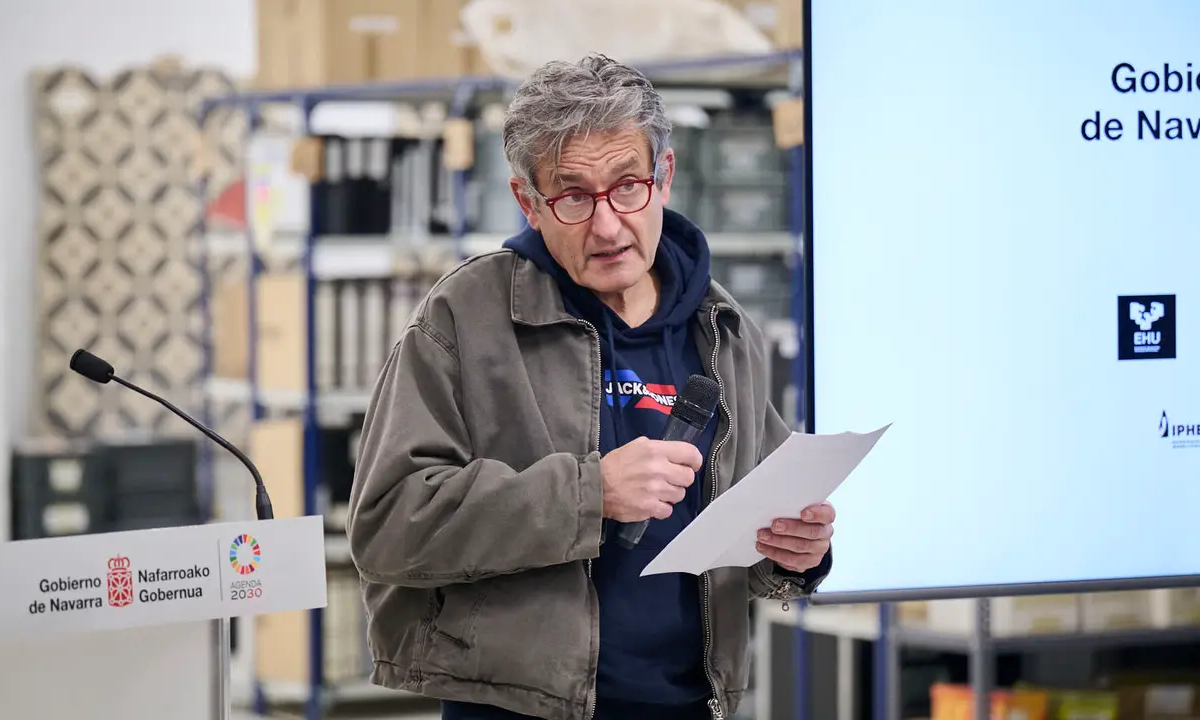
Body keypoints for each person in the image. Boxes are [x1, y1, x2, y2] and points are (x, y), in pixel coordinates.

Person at [346, 53, 834, 720]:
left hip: (689, 704)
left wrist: (794, 553)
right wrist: (588, 494)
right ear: (528, 202)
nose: (606, 225)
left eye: (627, 186)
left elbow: (747, 525)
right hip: (516, 708)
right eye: (573, 197)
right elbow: (387, 526)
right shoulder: (465, 317)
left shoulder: (723, 328)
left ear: (663, 178)